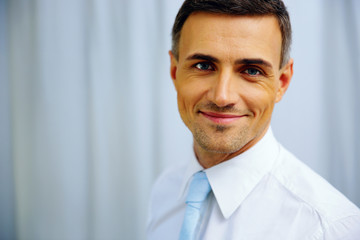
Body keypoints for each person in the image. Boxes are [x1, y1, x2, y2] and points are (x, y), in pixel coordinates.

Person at [147, 0, 360, 239]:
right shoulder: (164, 191)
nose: (222, 97)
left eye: (251, 70)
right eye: (204, 65)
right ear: (175, 72)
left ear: (282, 83)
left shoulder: (329, 229)